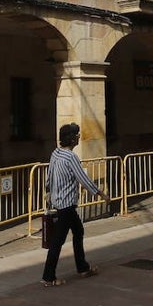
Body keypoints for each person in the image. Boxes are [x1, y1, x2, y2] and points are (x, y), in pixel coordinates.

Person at [41, 122, 112, 287]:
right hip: (66, 204)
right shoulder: (71, 157)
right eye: (77, 135)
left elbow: (49, 175)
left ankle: (82, 267)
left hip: (60, 202)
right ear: (72, 139)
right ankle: (48, 276)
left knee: (78, 231)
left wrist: (49, 193)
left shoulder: (56, 153)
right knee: (57, 241)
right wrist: (101, 194)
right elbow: (83, 179)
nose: (79, 137)